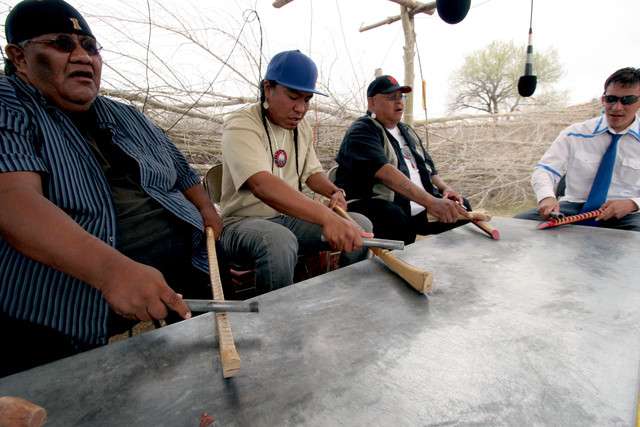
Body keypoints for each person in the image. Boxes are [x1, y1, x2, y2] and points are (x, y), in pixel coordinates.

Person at [0, 0, 223, 377]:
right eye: (62, 44)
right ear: (19, 57)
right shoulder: (11, 102)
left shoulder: (124, 114)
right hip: (64, 296)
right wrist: (112, 272)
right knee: (60, 399)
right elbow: (13, 201)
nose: (82, 57)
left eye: (89, 46)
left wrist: (207, 213)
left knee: (213, 365)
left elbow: (183, 173)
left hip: (184, 265)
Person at [220, 50, 372, 293]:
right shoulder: (242, 124)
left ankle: (345, 299)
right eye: (293, 97)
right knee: (278, 241)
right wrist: (326, 217)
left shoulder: (301, 128)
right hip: (242, 222)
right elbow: (261, 185)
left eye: (307, 100)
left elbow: (311, 173)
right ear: (268, 88)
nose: (301, 108)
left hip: (288, 219)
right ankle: (276, 322)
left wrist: (334, 191)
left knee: (359, 224)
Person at [334, 75, 469, 245]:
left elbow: (428, 169)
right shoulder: (362, 130)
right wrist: (432, 202)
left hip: (419, 206)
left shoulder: (406, 130)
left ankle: (446, 264)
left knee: (462, 208)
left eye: (401, 97)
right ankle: (396, 265)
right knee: (394, 217)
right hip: (382, 205)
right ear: (372, 103)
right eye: (391, 98)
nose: (399, 103)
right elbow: (386, 173)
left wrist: (446, 190)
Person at [515, 67, 640, 231]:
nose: (617, 107)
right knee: (516, 227)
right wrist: (546, 198)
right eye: (611, 99)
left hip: (628, 215)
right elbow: (545, 170)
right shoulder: (575, 133)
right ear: (603, 99)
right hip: (572, 209)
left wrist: (632, 203)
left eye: (627, 100)